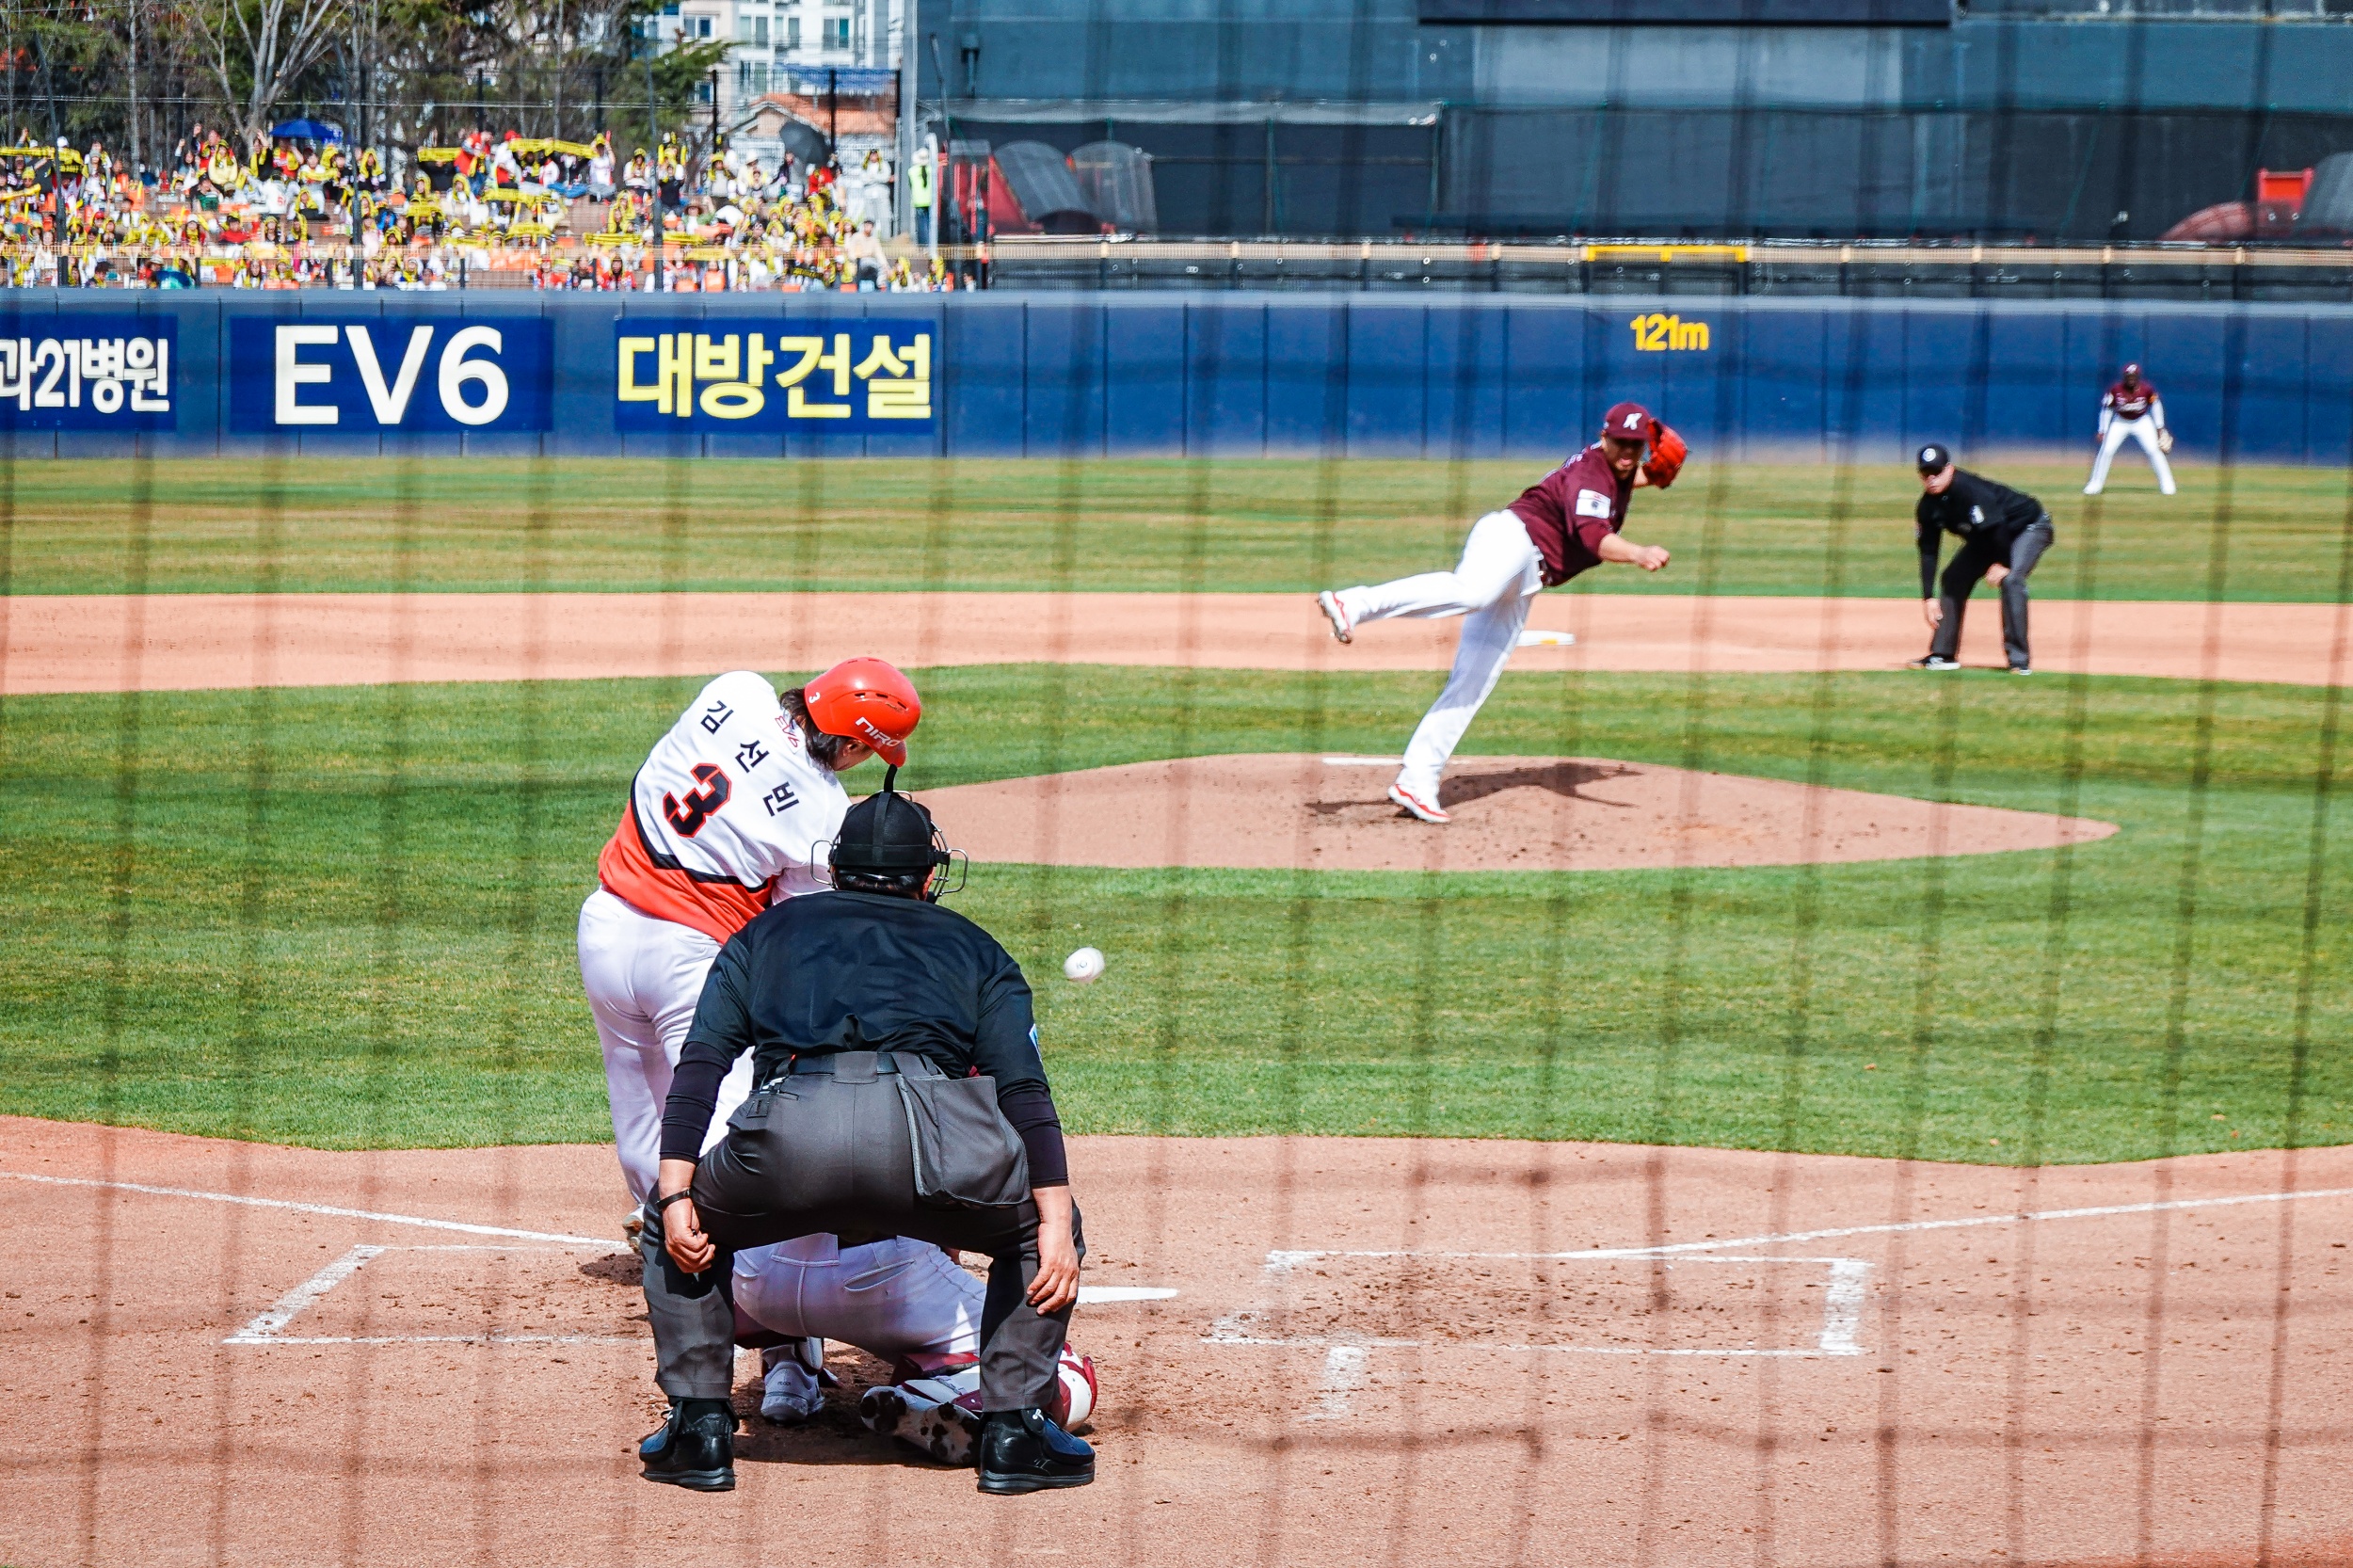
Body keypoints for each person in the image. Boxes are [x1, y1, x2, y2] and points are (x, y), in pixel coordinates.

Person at [638, 779, 1095, 1496]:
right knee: (1041, 1227)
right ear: (928, 876)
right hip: (931, 1152)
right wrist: (1057, 1222)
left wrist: (672, 1198)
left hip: (786, 1143)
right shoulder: (978, 949)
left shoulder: (764, 934)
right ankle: (1015, 1434)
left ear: (836, 867)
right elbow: (1025, 1093)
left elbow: (700, 1065)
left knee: (668, 1216)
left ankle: (699, 1430)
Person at [1313, 401, 1684, 824]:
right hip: (1513, 540)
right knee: (1472, 592)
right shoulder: (1591, 475)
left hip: (1527, 575)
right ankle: (1354, 603)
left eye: (1636, 445)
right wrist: (1639, 553)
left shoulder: (1612, 469)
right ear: (1604, 437)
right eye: (1621, 442)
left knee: (1475, 678)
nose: (1628, 452)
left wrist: (1653, 476)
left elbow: (1625, 477)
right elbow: (1593, 537)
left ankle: (1417, 780)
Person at [1910, 442, 2054, 674]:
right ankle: (1943, 655)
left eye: (1937, 472)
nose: (1931, 479)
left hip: (2029, 527)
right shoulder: (1928, 507)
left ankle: (2019, 661)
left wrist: (2003, 563)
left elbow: (1999, 527)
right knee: (1954, 577)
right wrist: (1928, 597)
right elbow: (1928, 551)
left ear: (1949, 469)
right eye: (1926, 474)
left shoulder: (1969, 491)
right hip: (1989, 535)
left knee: (2011, 579)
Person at [2084, 361, 2175, 497]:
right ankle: (2095, 484)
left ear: (2138, 377)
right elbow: (2107, 410)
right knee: (2106, 450)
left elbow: (2156, 406)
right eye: (2128, 376)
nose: (2131, 379)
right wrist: (2102, 430)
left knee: (2154, 450)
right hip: (2120, 421)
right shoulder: (2115, 389)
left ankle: (2168, 485)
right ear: (2124, 377)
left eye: (2133, 376)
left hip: (2141, 421)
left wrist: (2160, 427)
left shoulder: (2147, 389)